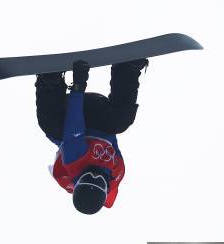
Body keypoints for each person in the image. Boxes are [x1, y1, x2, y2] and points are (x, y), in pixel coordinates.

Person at [35, 58, 148, 214]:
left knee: (50, 126)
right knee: (121, 122)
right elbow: (112, 137)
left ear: (78, 180)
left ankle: (50, 82)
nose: (95, 175)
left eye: (88, 178)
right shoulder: (117, 172)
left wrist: (79, 85)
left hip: (70, 114)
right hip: (99, 115)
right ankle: (126, 69)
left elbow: (73, 125)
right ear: (107, 186)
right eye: (100, 181)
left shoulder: (74, 161)